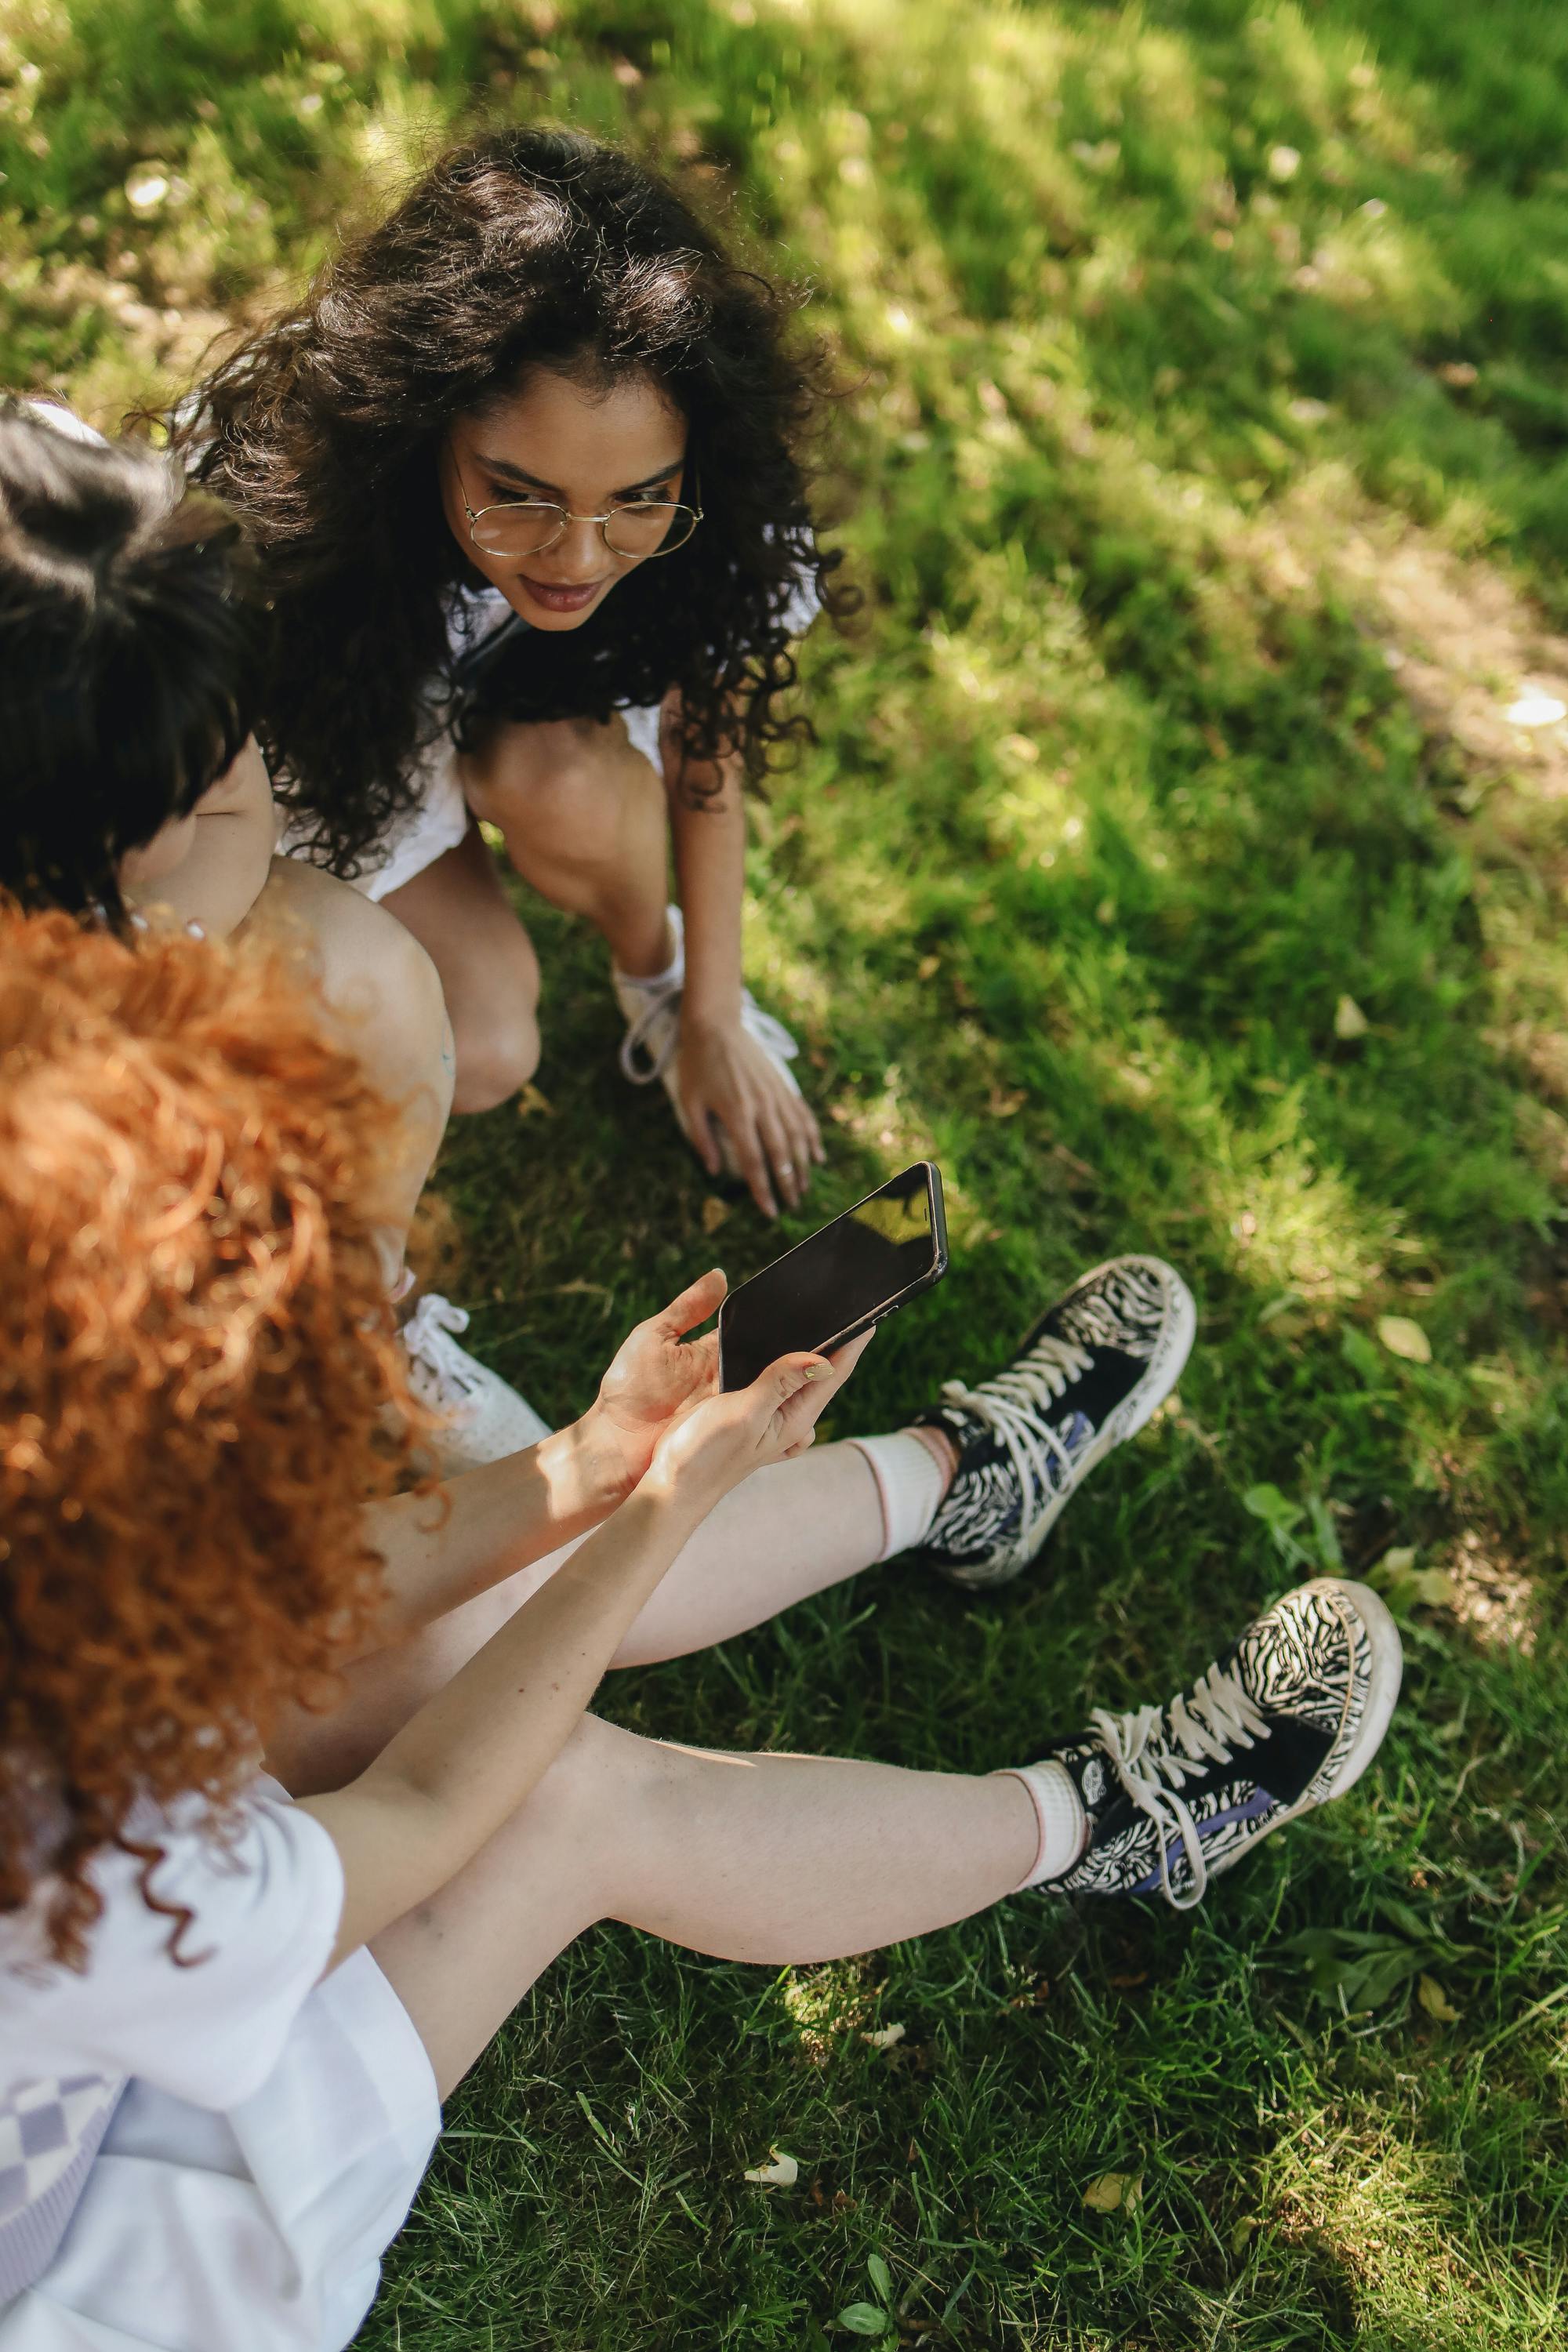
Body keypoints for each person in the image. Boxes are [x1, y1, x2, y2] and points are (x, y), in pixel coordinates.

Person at [0, 905, 1403, 2351]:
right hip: (99, 2274)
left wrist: (589, 1472)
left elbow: (277, 1593)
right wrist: (657, 1509)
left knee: (443, 1633)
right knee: (561, 1806)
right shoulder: (106, 1884)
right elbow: (425, 1811)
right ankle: (1111, 1826)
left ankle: (957, 1483)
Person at [181, 125, 850, 1221]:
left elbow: (704, 760)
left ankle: (654, 979)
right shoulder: (278, 523)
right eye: (518, 491)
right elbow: (199, 817)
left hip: (526, 727)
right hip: (333, 758)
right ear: (425, 420)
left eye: (638, 498)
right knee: (483, 1047)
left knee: (568, 785)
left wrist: (711, 1010)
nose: (578, 559)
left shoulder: (715, 510)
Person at [0, 395, 545, 1468]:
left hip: (106, 960)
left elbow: (236, 811)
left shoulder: (123, 602)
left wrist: (147, 963)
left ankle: (358, 1318)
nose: (183, 817)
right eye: (144, 810)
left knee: (366, 973)